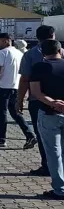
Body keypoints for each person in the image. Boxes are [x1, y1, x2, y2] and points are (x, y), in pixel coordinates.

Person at [0, 33, 37, 148]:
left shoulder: (2, 53)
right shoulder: (19, 53)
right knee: (15, 113)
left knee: (1, 113)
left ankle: (1, 138)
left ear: (7, 41)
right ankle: (30, 134)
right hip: (15, 87)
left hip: (2, 87)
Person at [28, 39, 64, 200]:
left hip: (49, 113)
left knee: (53, 153)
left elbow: (35, 92)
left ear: (42, 52)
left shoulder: (39, 67)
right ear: (60, 50)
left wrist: (52, 102)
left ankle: (60, 189)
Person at [18, 25, 55, 176]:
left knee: (42, 135)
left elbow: (25, 79)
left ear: (37, 37)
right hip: (60, 100)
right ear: (52, 35)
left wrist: (20, 100)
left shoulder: (30, 55)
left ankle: (47, 165)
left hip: (37, 100)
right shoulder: (61, 52)